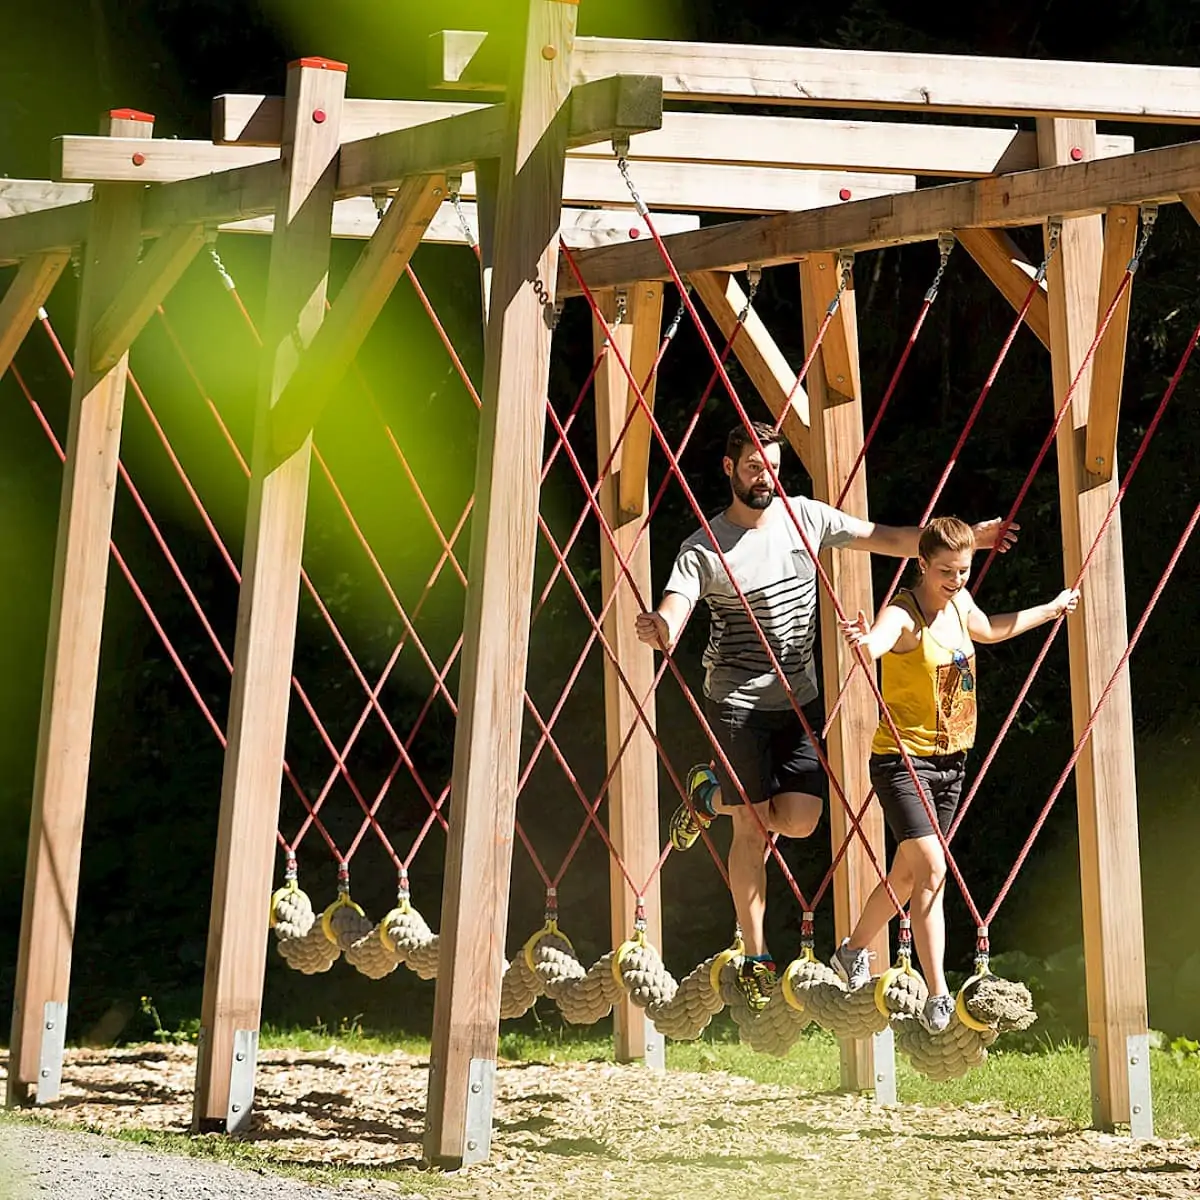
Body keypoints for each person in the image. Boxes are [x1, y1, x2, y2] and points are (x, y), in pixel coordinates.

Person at [634, 423, 1017, 1012]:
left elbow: (886, 538)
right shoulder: (704, 547)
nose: (767, 477)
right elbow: (678, 602)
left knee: (802, 821)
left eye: (774, 466)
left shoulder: (806, 517)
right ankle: (758, 955)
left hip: (799, 700)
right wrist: (662, 626)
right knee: (754, 828)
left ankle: (706, 796)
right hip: (735, 705)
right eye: (755, 467)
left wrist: (971, 541)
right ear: (729, 470)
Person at [830, 515, 1077, 1033]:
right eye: (945, 571)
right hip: (902, 763)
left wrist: (1051, 610)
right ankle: (938, 992)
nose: (956, 580)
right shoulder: (905, 613)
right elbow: (877, 643)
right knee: (934, 869)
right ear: (921, 564)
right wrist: (861, 642)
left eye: (963, 570)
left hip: (951, 764)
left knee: (908, 874)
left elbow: (990, 631)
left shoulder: (961, 604)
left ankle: (852, 949)